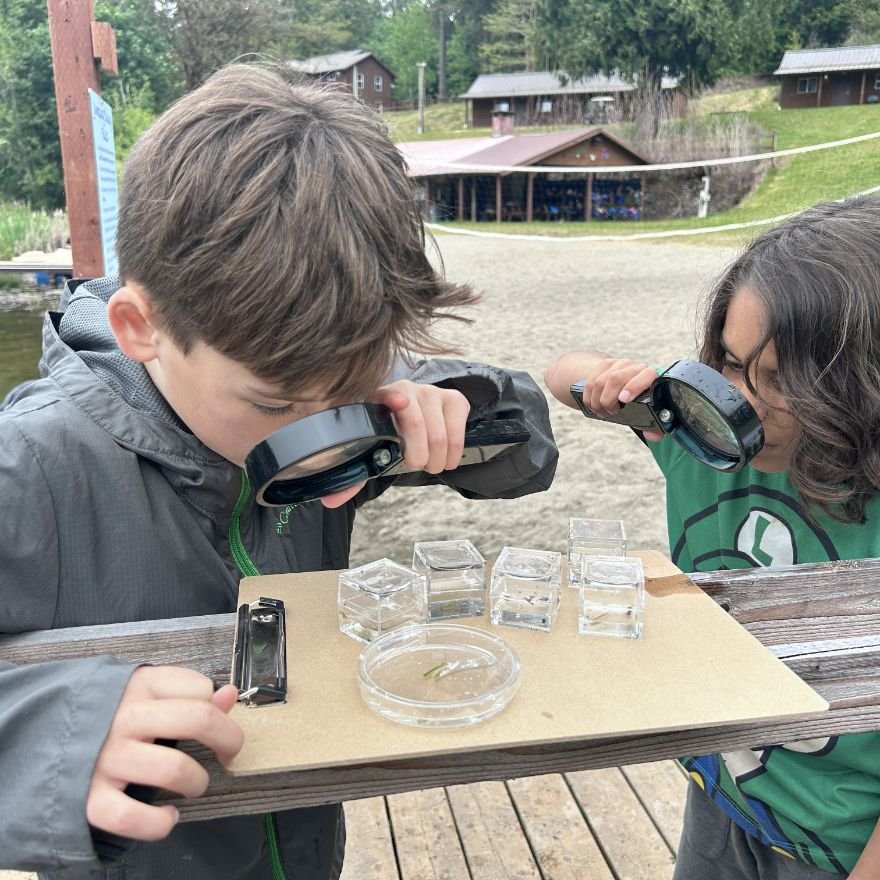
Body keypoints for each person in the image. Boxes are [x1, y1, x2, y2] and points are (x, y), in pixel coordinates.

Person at [0, 63, 557, 879]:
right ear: (139, 327)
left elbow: (528, 447)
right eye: (279, 405)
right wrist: (51, 736)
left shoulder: (315, 385)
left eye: (350, 392)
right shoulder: (30, 468)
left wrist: (451, 402)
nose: (321, 434)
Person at [545, 195, 880, 879]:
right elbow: (561, 371)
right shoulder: (701, 443)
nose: (742, 404)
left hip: (834, 846)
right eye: (729, 365)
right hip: (723, 791)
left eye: (781, 379)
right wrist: (608, 385)